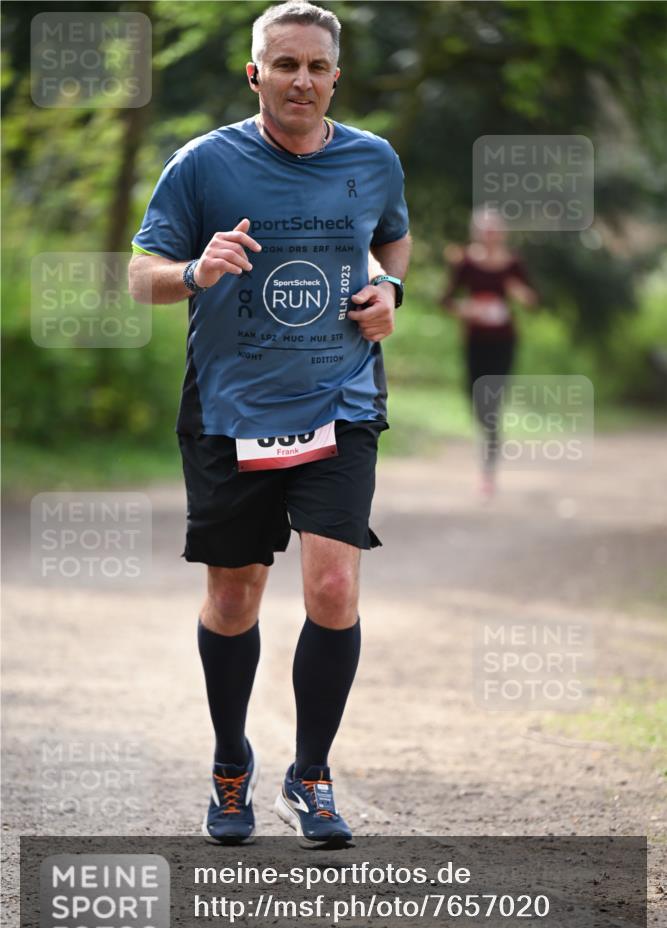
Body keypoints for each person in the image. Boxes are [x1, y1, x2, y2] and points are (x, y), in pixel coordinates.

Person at [128, 1, 411, 845]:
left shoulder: (372, 159)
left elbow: (392, 242)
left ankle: (310, 775)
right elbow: (139, 276)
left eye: (316, 67)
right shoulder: (202, 164)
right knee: (232, 596)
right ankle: (230, 764)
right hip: (230, 411)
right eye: (284, 65)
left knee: (333, 587)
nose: (301, 81)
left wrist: (389, 290)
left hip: (340, 401)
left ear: (335, 77)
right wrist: (195, 269)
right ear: (254, 74)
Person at [441, 206, 537, 497]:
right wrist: (467, 309)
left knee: (492, 403)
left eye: (494, 229)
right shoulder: (466, 262)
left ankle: (488, 471)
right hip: (474, 341)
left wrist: (519, 293)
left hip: (504, 342)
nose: (489, 234)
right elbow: (446, 300)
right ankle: (488, 444)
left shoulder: (513, 264)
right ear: (476, 232)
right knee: (476, 401)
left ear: (502, 233)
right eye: (484, 229)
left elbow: (533, 300)